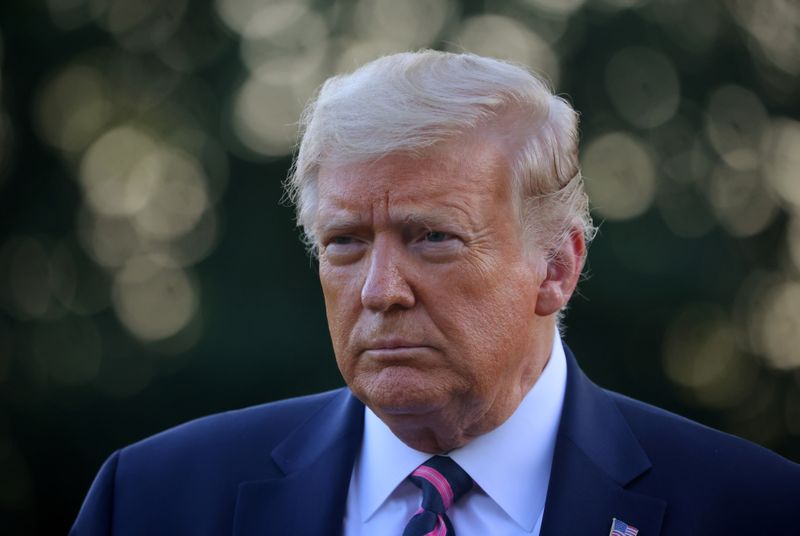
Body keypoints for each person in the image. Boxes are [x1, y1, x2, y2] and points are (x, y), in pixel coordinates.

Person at [71, 51, 799, 536]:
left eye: (433, 238)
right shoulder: (151, 501)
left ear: (557, 268)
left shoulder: (755, 510)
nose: (381, 290)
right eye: (345, 242)